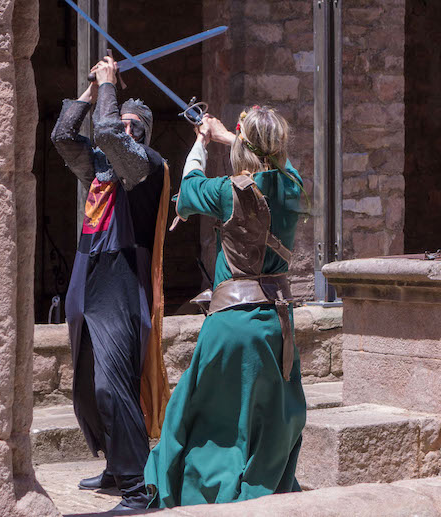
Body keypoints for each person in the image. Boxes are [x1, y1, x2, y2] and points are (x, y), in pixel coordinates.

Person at [143, 106, 307, 508]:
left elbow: (189, 183)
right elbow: (276, 162)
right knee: (267, 423)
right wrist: (230, 135)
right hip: (275, 324)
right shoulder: (293, 186)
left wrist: (202, 142)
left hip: (231, 327)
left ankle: (208, 497)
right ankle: (260, 493)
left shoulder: (225, 191)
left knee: (209, 423)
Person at [51, 55, 171, 512]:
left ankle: (138, 488)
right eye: (122, 122)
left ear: (142, 133)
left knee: (112, 384)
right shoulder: (100, 170)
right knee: (85, 381)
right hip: (88, 274)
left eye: (132, 126)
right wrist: (89, 92)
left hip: (121, 282)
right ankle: (114, 466)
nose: (124, 130)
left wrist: (108, 87)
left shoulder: (145, 168)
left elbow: (107, 134)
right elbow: (64, 137)